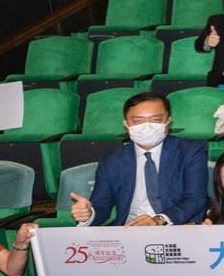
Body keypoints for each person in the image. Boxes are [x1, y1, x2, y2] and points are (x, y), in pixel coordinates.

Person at [68, 92, 208, 226]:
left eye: (156, 120)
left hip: (175, 226)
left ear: (168, 121)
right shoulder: (112, 160)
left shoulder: (190, 152)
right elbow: (101, 205)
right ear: (126, 125)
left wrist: (159, 220)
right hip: (129, 228)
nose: (147, 127)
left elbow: (194, 199)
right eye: (138, 121)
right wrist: (88, 214)